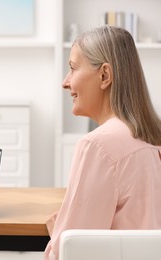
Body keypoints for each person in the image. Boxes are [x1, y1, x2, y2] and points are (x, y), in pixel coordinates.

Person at [45, 25, 161, 260]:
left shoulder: (98, 146)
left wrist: (56, 235)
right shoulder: (153, 138)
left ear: (104, 76)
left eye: (72, 69)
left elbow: (70, 253)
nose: (65, 82)